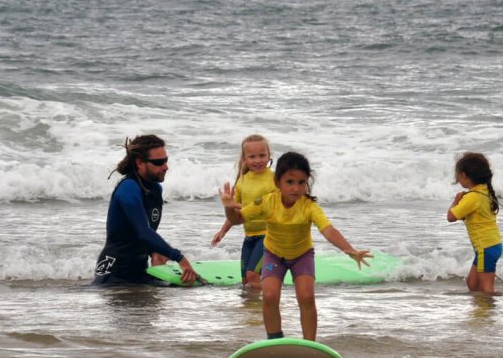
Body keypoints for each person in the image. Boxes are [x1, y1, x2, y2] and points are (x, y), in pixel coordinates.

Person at [219, 150, 371, 341]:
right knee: (270, 295)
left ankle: (310, 344)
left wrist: (349, 250)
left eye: (301, 182)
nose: (296, 188)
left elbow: (328, 229)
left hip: (302, 256)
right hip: (274, 255)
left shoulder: (309, 206)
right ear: (278, 183)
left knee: (306, 296)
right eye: (290, 182)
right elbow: (237, 219)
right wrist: (228, 206)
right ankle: (275, 340)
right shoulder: (268, 201)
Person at [93, 134, 197, 286]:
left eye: (166, 160)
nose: (165, 167)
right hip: (112, 273)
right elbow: (143, 232)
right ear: (140, 162)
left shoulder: (156, 190)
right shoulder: (128, 189)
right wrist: (179, 258)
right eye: (159, 162)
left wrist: (155, 252)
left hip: (139, 272)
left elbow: (143, 235)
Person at [211, 134, 276, 288]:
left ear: (269, 156)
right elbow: (236, 212)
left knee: (253, 275)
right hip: (249, 237)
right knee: (245, 280)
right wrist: (223, 231)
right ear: (244, 159)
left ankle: (259, 309)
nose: (258, 160)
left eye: (262, 155)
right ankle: (250, 309)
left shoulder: (275, 179)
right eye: (252, 156)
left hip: (269, 235)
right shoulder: (242, 181)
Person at [447, 152, 503, 295]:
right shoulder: (485, 191)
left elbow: (451, 216)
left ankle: (487, 315)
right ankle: (481, 311)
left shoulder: (472, 197)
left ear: (465, 175)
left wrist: (456, 201)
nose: (458, 180)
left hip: (486, 247)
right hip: (491, 245)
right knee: (472, 283)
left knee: (486, 289)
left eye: (458, 177)